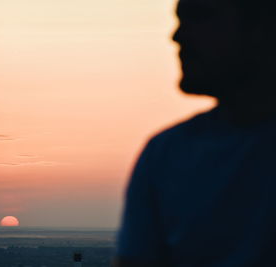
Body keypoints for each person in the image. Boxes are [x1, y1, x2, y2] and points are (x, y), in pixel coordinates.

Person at [114, 0, 276, 266]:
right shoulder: (166, 153)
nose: (177, 37)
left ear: (263, 26)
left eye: (201, 16)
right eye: (181, 20)